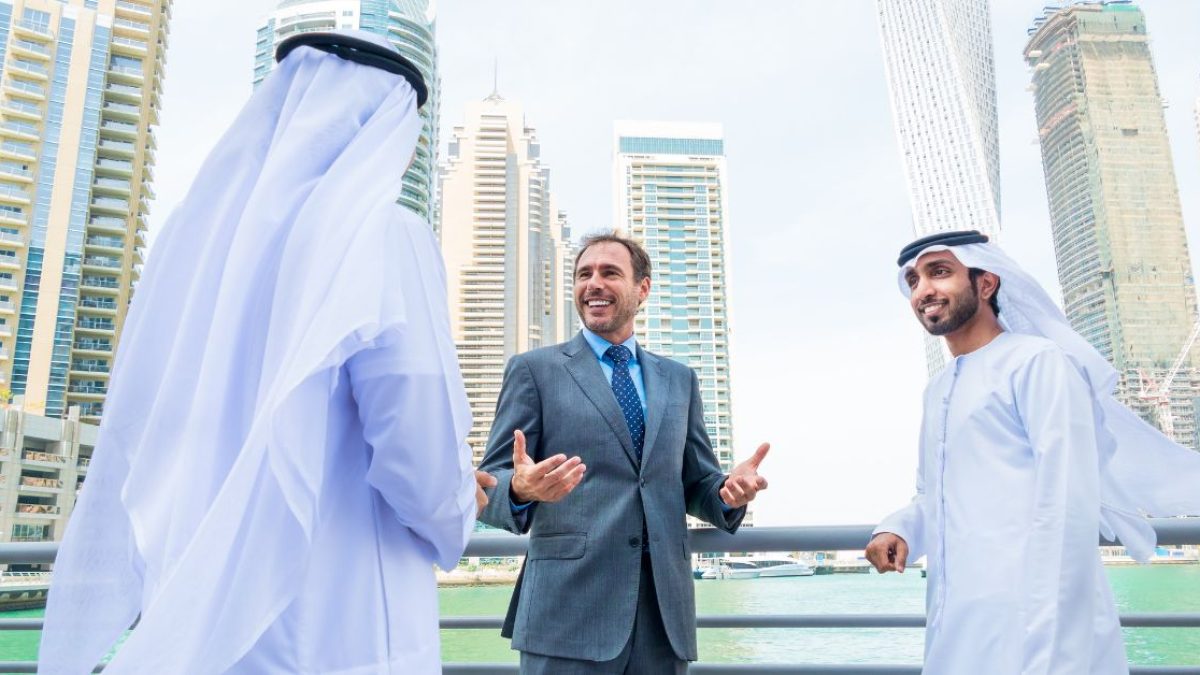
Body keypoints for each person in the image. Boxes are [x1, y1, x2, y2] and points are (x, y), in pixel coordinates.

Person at [39, 31, 488, 674]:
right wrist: (459, 507)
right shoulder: (386, 236)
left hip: (204, 609)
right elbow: (417, 445)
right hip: (337, 622)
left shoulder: (195, 246)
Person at [865, 230, 1200, 674]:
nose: (923, 290)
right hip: (959, 615)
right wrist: (899, 529)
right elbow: (934, 495)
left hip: (1039, 617)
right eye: (914, 280)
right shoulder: (938, 389)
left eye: (939, 272)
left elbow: (1067, 502)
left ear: (986, 283)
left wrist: (1047, 639)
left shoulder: (1038, 362)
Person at [476, 231, 770, 673]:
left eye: (610, 273)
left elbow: (696, 482)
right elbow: (490, 481)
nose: (593, 283)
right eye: (583, 274)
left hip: (663, 618)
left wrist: (729, 492)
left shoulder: (679, 380)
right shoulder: (534, 370)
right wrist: (519, 489)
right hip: (566, 613)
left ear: (642, 288)